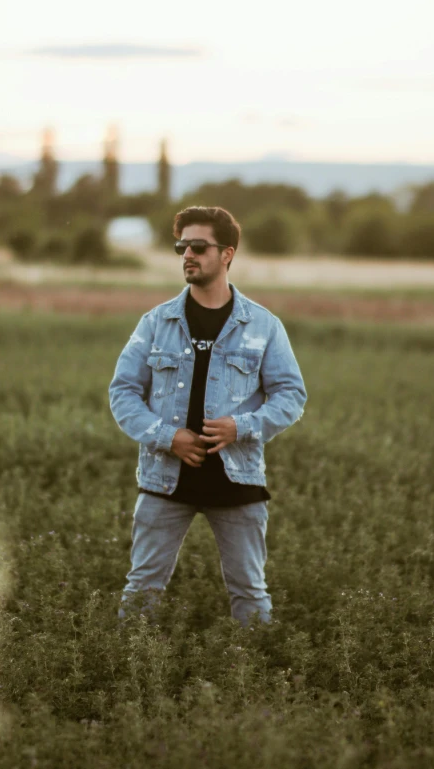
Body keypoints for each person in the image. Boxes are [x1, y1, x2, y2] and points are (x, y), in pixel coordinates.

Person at [109, 206, 307, 627]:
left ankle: (252, 680)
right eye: (182, 246)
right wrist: (167, 436)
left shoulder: (263, 326)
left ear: (227, 254)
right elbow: (123, 392)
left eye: (199, 246)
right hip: (165, 477)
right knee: (141, 587)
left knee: (250, 592)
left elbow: (291, 395)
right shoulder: (155, 322)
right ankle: (128, 673)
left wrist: (243, 427)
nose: (187, 255)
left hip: (237, 479)